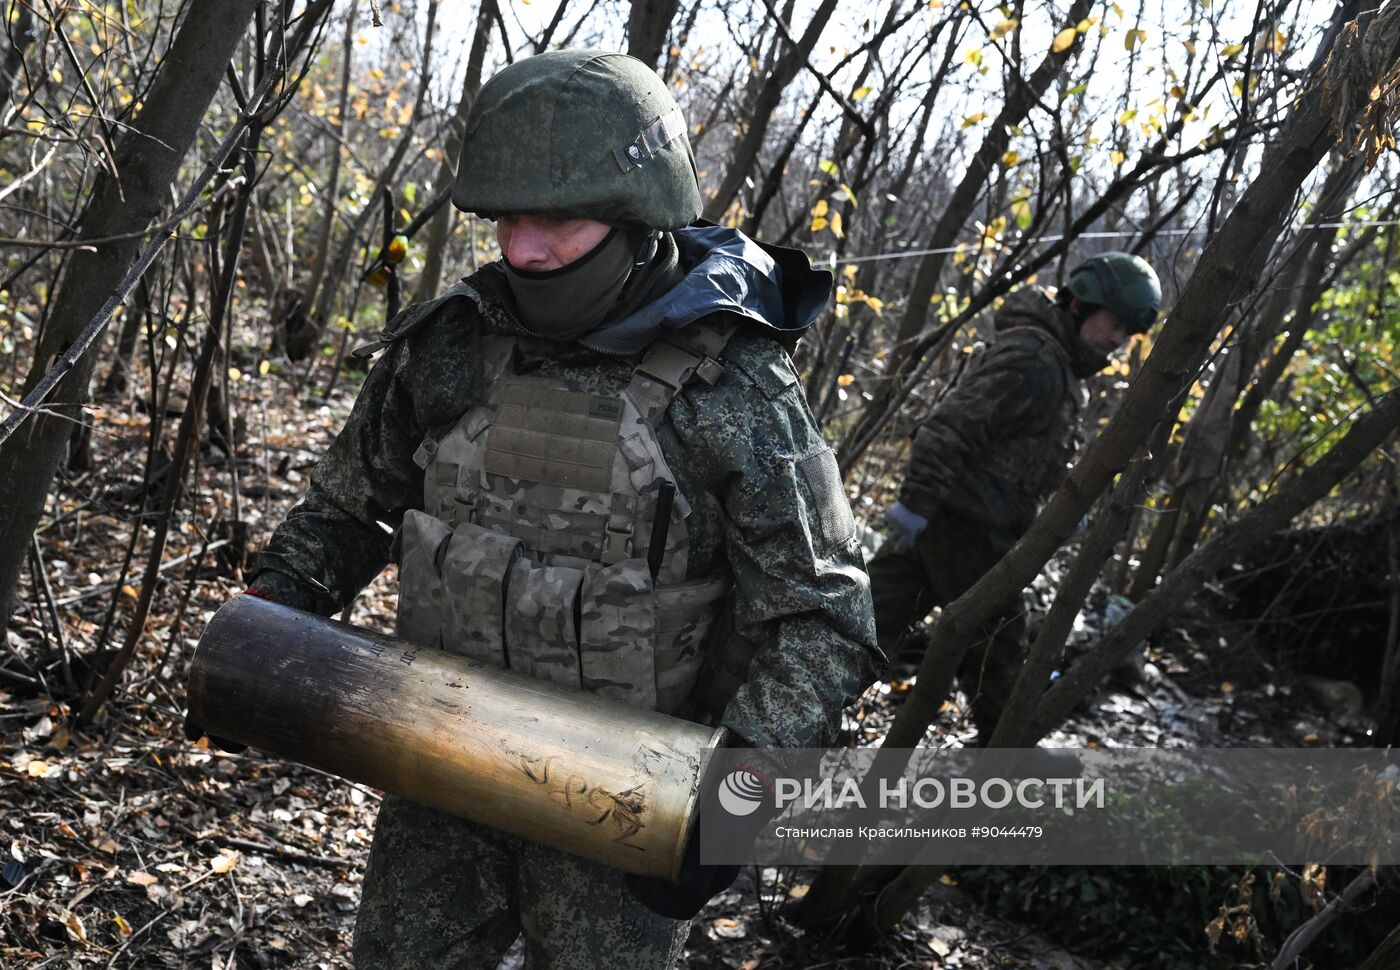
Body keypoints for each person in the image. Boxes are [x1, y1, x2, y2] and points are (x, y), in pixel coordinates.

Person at [231, 49, 878, 969]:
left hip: (632, 800)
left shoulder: (733, 385)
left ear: (641, 216)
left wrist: (734, 805)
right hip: (438, 755)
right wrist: (270, 617)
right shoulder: (454, 346)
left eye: (559, 221)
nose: (524, 251)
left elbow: (823, 615)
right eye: (507, 220)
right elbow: (350, 504)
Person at [871, 252, 1161, 742]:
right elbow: (948, 429)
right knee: (999, 654)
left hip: (963, 523)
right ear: (1080, 306)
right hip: (967, 528)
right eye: (1114, 322)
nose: (1118, 339)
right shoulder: (1034, 361)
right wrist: (915, 506)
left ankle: (788, 713)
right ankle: (1007, 759)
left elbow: (1020, 448)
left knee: (864, 629)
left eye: (1127, 332)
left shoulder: (1057, 366)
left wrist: (1065, 498)